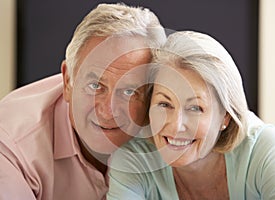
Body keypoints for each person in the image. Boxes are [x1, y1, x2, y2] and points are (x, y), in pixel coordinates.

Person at [0, 3, 166, 200]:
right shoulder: (11, 143)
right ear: (68, 81)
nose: (107, 111)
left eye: (129, 91)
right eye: (95, 86)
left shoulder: (173, 128)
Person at [107, 31, 275, 199]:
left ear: (225, 116)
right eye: (164, 104)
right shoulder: (133, 160)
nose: (176, 125)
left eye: (195, 108)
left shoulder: (263, 151)